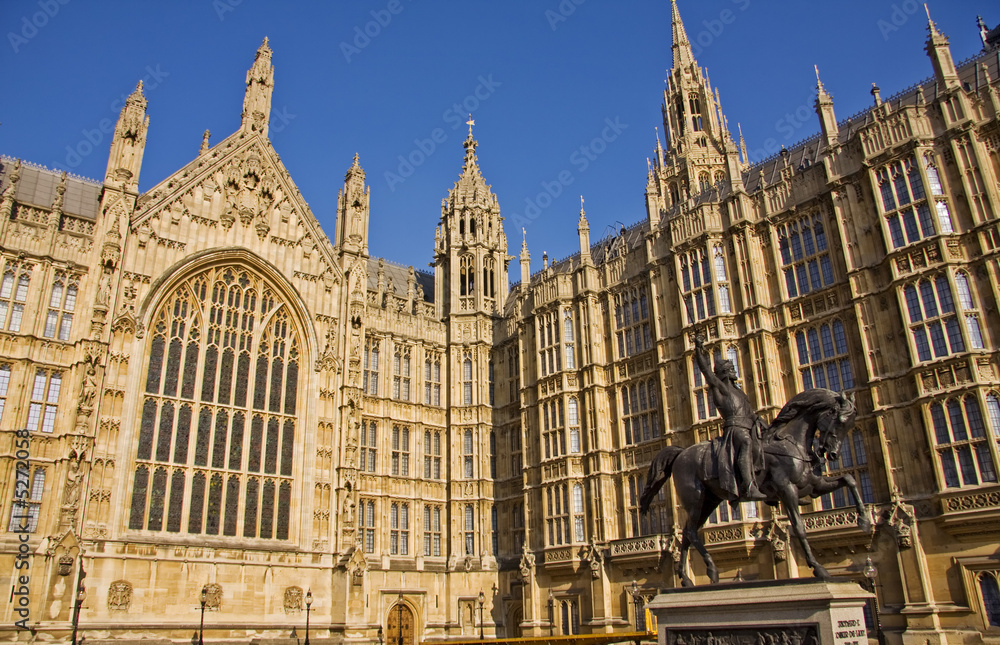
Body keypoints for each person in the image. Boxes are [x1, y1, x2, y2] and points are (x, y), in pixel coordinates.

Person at [693, 332, 766, 500]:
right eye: (731, 369)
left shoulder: (739, 392)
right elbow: (705, 370)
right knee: (746, 442)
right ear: (724, 373)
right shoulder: (721, 388)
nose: (734, 372)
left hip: (748, 426)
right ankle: (748, 486)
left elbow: (749, 413)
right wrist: (698, 349)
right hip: (735, 430)